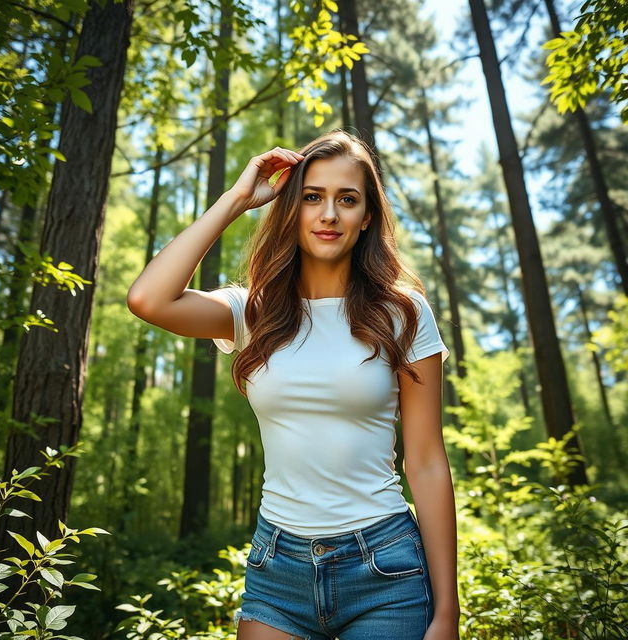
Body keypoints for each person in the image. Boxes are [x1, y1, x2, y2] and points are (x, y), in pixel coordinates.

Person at [127, 130, 460, 640]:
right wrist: (237, 199)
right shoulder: (254, 310)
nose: (329, 214)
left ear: (366, 216)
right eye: (312, 197)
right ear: (291, 208)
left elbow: (427, 460)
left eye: (347, 199)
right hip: (276, 570)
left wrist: (447, 612)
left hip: (384, 567)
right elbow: (149, 299)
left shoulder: (403, 313)